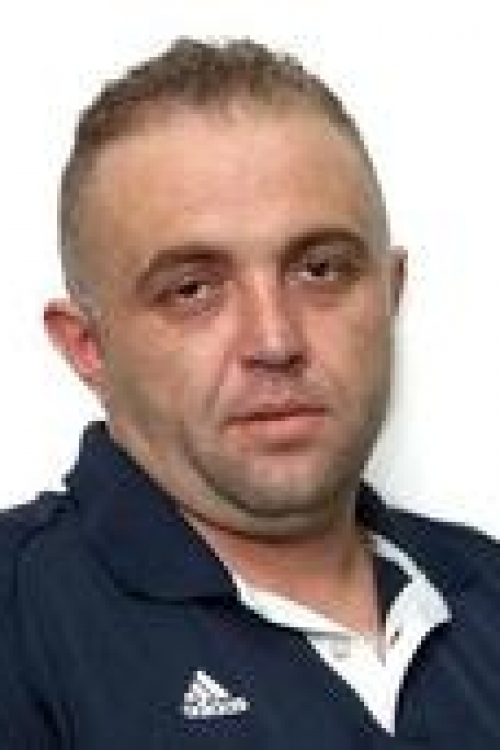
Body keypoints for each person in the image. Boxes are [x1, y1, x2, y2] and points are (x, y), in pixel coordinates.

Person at [1, 37, 499, 749]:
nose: (275, 339)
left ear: (391, 295)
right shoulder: (21, 626)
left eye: (321, 270)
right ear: (88, 347)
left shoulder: (485, 586)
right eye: (192, 289)